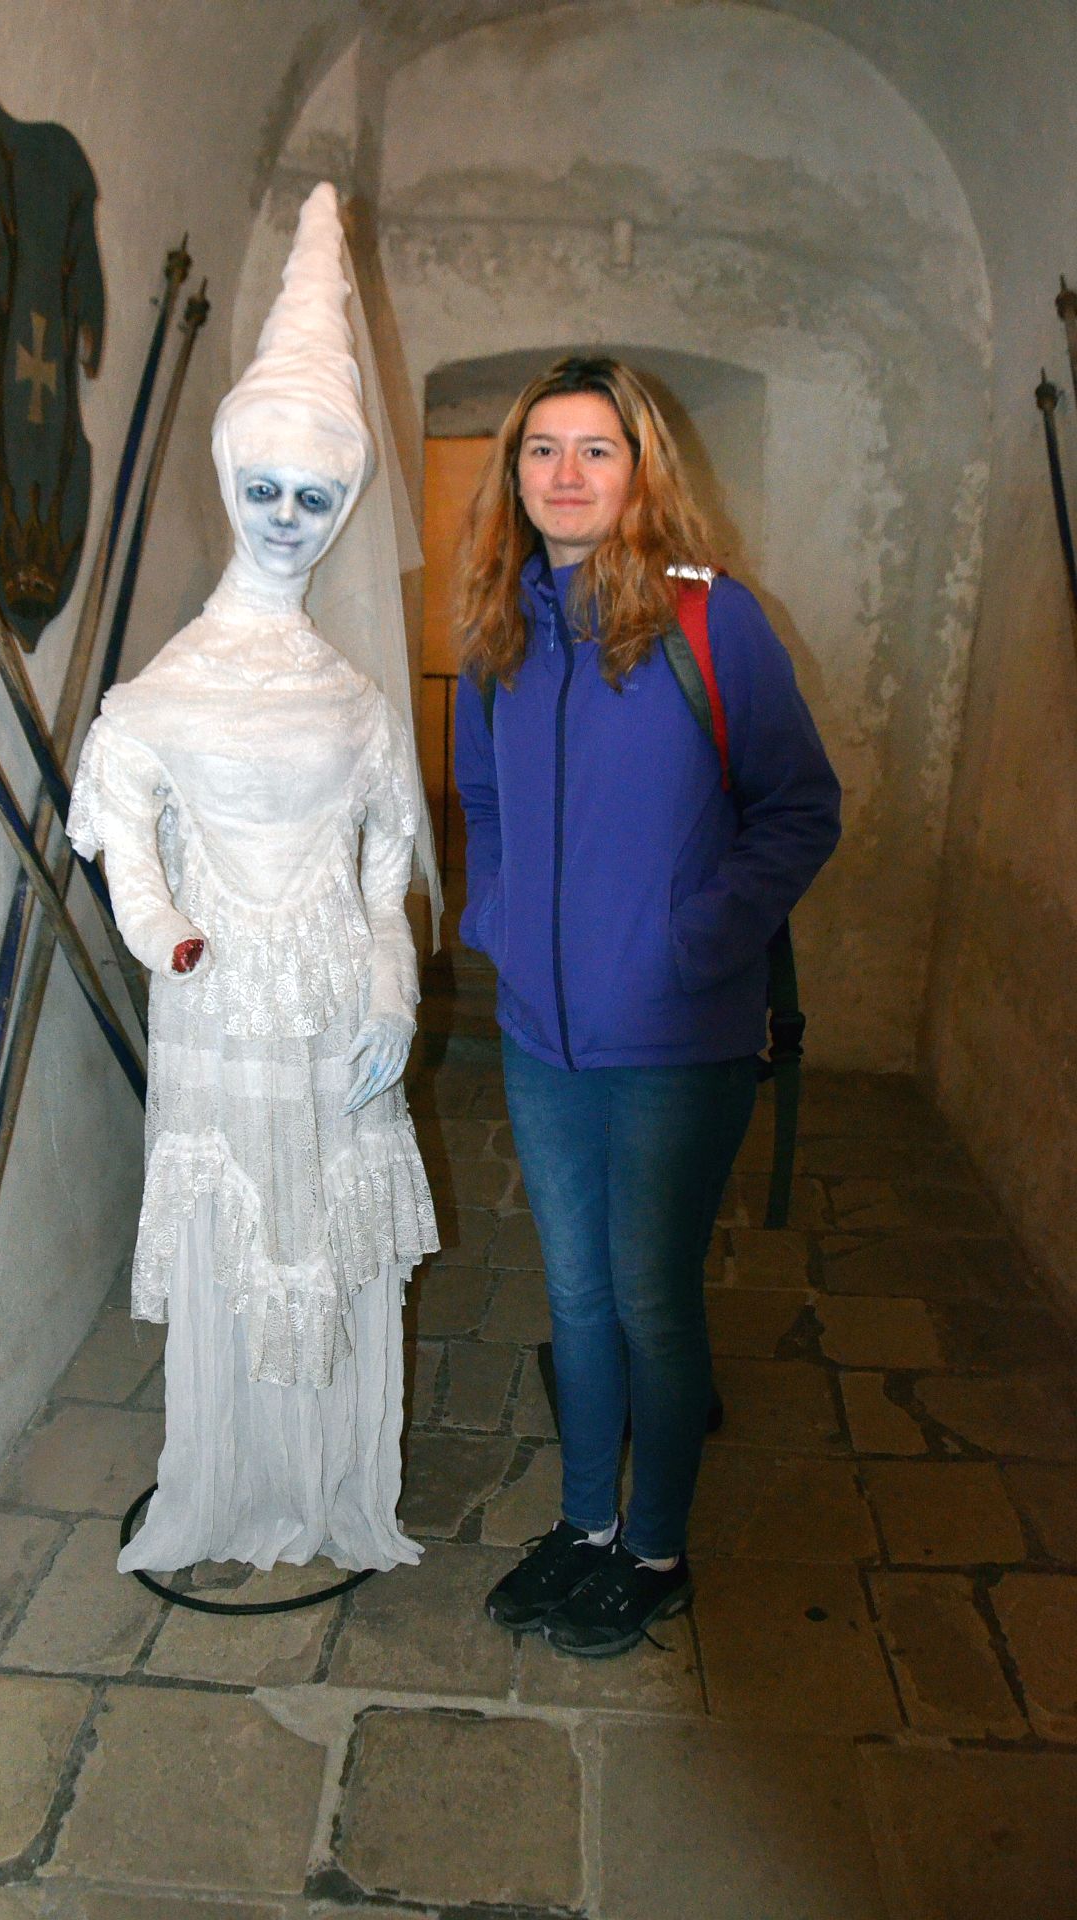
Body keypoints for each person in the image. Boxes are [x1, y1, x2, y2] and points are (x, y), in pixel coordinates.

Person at [68, 183, 440, 1576]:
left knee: (330, 1243)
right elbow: (123, 823)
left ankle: (326, 1476)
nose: (288, 518)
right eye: (267, 491)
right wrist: (163, 929)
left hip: (339, 1007)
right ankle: (228, 1479)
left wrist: (395, 994)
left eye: (316, 498)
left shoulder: (354, 700)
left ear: (344, 508)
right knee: (242, 1242)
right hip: (219, 1006)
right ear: (231, 487)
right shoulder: (164, 688)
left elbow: (386, 870)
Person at [453, 356, 840, 1656]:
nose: (566, 474)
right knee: (573, 1298)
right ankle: (585, 1529)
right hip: (541, 1038)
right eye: (542, 450)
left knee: (650, 1300)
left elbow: (800, 809)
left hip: (678, 1040)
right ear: (515, 475)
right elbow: (485, 800)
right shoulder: (499, 631)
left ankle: (656, 1549)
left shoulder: (710, 621)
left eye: (596, 449)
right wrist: (496, 918)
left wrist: (698, 939)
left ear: (640, 469)